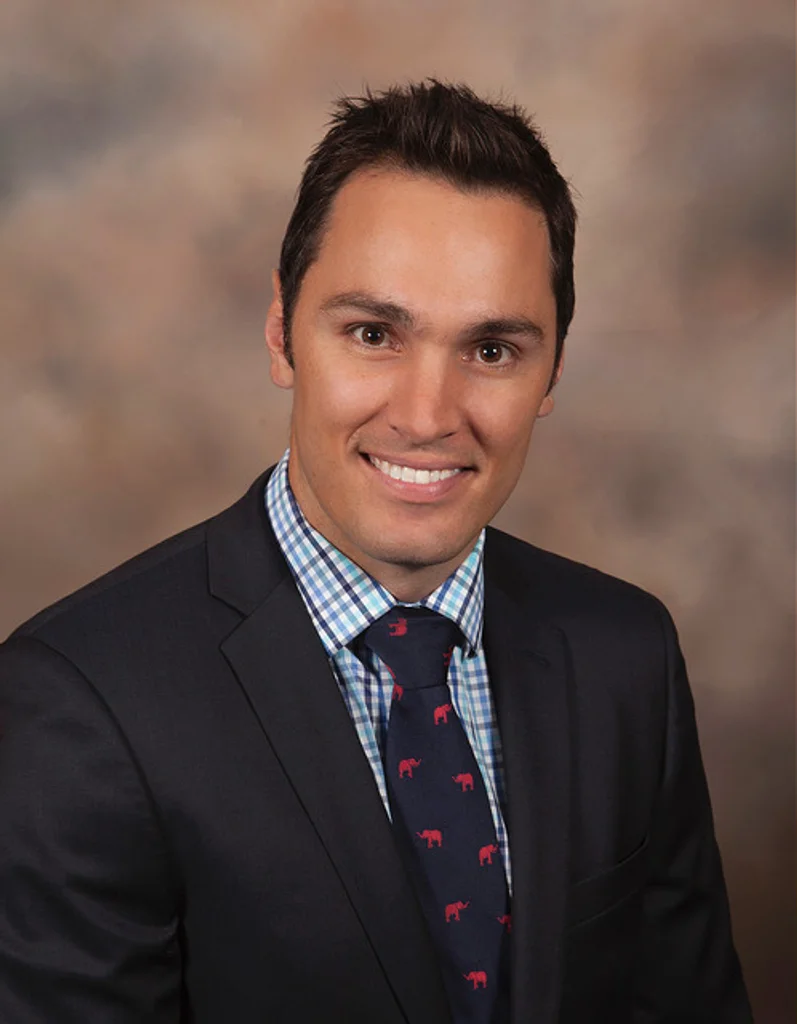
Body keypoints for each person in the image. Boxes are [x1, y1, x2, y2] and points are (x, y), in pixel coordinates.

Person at [0, 80, 752, 1023]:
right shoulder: (81, 702)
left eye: (491, 350)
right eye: (373, 334)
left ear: (553, 368)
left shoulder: (623, 656)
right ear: (282, 333)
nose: (427, 416)